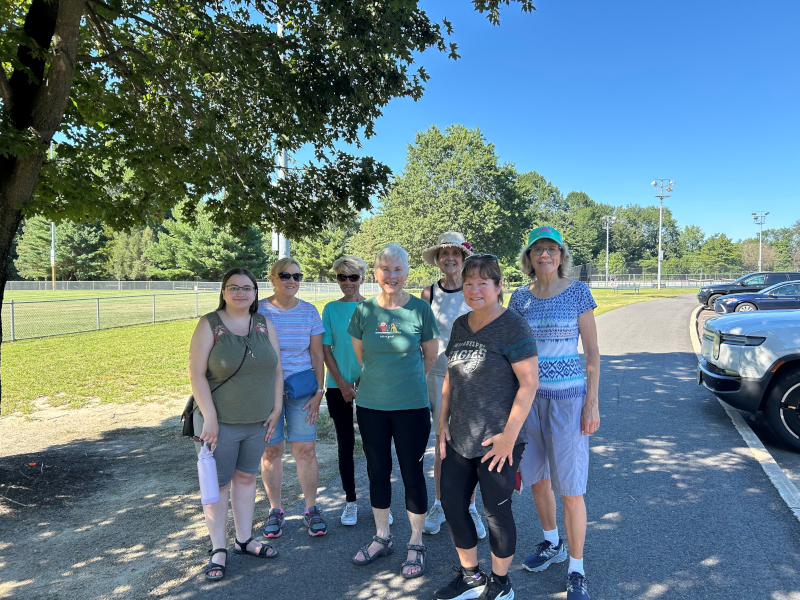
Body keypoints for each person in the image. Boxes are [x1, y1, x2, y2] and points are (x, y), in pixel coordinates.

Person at [434, 254, 539, 600]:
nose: (475, 289)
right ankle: (470, 576)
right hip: (460, 435)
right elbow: (451, 374)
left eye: (483, 283)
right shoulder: (461, 325)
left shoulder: (513, 326)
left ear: (498, 286)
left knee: (496, 513)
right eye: (469, 283)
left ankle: (501, 583)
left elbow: (529, 383)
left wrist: (509, 438)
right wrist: (441, 421)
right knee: (451, 503)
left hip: (499, 439)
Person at [508, 226, 600, 600]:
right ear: (528, 258)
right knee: (537, 478)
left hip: (568, 401)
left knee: (571, 487)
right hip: (528, 401)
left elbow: (592, 353)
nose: (545, 255)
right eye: (537, 250)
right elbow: (511, 351)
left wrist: (591, 402)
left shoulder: (578, 292)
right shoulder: (519, 298)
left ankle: (576, 568)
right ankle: (552, 542)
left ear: (561, 255)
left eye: (551, 249)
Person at [348, 244, 439, 578]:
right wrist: (381, 379)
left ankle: (415, 542)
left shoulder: (420, 309)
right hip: (371, 406)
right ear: (375, 273)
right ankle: (382, 537)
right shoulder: (364, 312)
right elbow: (361, 356)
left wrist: (406, 380)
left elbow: (430, 354)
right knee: (377, 470)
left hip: (412, 407)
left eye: (398, 269)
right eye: (385, 269)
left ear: (407, 272)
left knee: (412, 474)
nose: (391, 275)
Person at [188, 268, 283, 581]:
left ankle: (244, 539)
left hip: (258, 421)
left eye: (247, 288)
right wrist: (211, 418)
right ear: (224, 291)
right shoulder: (209, 324)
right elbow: (196, 374)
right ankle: (218, 548)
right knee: (219, 485)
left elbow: (277, 369)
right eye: (234, 288)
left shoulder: (263, 324)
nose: (241, 293)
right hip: (221, 425)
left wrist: (276, 407)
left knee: (246, 479)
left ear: (255, 293)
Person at [420, 232, 486, 539]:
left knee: (471, 441)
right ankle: (439, 503)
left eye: (455, 254)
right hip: (438, 372)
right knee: (442, 440)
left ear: (463, 258)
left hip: (473, 373)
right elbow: (423, 338)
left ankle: (470, 506)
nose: (449, 259)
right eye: (444, 254)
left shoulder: (474, 290)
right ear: (438, 259)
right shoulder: (429, 293)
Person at [258, 258, 327, 537]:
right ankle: (275, 510)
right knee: (271, 451)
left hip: (301, 391)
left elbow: (317, 355)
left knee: (305, 451)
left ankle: (311, 509)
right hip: (265, 390)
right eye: (285, 275)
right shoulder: (258, 310)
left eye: (297, 276)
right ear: (272, 278)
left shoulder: (310, 311)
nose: (292, 281)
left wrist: (319, 392)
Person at [321, 256, 367, 526]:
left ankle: (379, 502)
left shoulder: (373, 307)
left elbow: (376, 348)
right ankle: (350, 501)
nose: (348, 283)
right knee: (345, 444)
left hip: (369, 385)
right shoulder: (330, 309)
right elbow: (326, 349)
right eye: (342, 277)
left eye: (353, 277)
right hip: (337, 385)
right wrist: (341, 382)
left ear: (362, 278)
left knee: (374, 446)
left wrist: (364, 380)